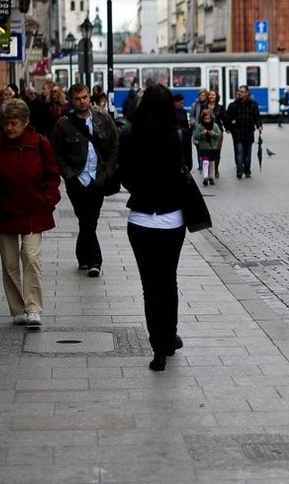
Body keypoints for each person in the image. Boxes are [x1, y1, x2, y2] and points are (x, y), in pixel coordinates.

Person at [118, 84, 191, 371]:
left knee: (150, 286)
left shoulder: (129, 136)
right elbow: (188, 169)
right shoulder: (179, 136)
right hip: (172, 219)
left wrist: (141, 188)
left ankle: (157, 348)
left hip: (140, 219)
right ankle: (169, 337)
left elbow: (123, 175)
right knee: (168, 280)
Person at [0, 99, 61, 327]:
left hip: (34, 211)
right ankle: (18, 308)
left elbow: (53, 175)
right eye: (6, 123)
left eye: (14, 123)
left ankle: (33, 307)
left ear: (25, 122)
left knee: (32, 259)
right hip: (4, 212)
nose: (9, 128)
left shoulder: (40, 144)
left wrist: (48, 201)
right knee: (10, 263)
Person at [50, 84, 119, 278]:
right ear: (71, 101)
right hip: (77, 179)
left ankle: (82, 255)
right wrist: (68, 173)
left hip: (97, 178)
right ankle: (95, 261)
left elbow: (114, 143)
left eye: (86, 97)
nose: (83, 101)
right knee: (86, 217)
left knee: (90, 219)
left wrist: (108, 169)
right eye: (78, 98)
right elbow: (55, 151)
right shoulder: (64, 124)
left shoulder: (102, 118)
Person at [224, 85, 262, 179]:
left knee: (247, 153)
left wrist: (259, 126)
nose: (239, 93)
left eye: (241, 91)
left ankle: (247, 171)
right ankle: (240, 171)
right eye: (238, 91)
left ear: (247, 93)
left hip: (248, 131)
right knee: (239, 152)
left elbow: (256, 116)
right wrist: (229, 125)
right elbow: (227, 118)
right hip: (237, 131)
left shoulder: (253, 104)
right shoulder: (233, 105)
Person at [193, 109, 222, 186]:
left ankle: (211, 177)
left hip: (212, 148)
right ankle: (205, 177)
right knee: (205, 162)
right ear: (202, 118)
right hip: (203, 148)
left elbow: (219, 135)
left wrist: (213, 134)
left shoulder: (215, 126)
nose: (207, 120)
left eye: (208, 118)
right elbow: (195, 136)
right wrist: (202, 134)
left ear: (211, 118)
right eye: (205, 119)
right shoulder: (200, 126)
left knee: (212, 163)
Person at [208, 89, 225, 179]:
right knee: (209, 152)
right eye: (210, 95)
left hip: (218, 132)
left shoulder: (220, 107)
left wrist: (229, 128)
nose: (211, 96)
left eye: (213, 95)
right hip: (207, 132)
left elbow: (224, 119)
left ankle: (216, 169)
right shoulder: (204, 106)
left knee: (217, 152)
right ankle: (209, 169)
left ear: (217, 97)